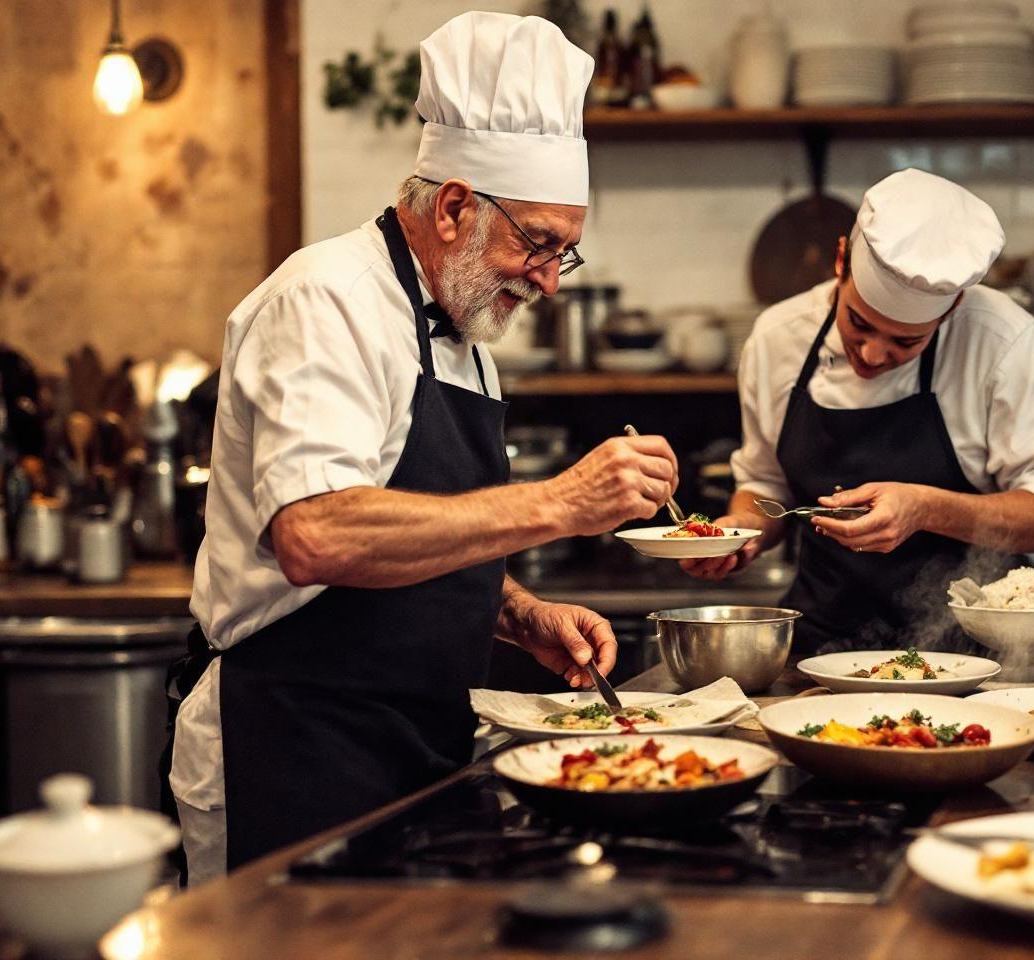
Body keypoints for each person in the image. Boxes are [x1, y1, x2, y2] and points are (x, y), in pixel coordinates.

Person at [166, 11, 680, 885]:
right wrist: (561, 501)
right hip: (296, 745)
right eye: (541, 242)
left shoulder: (466, 330)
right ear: (453, 208)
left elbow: (427, 525)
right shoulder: (325, 301)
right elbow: (316, 536)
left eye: (567, 252)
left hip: (422, 748)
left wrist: (518, 614)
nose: (551, 280)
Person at [683, 168, 1034, 652]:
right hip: (825, 647)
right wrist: (743, 533)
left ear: (951, 307)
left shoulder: (1002, 340)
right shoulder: (777, 337)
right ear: (841, 262)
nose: (874, 355)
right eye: (857, 322)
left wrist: (925, 508)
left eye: (906, 341)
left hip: (982, 648)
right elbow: (763, 483)